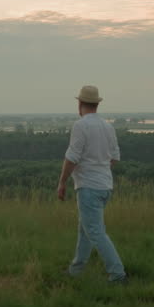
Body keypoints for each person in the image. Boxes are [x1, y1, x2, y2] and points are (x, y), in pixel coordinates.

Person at [56, 84, 127, 284]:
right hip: (105, 186)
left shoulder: (81, 126)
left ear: (80, 104)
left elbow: (71, 158)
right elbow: (114, 158)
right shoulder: (108, 126)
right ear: (96, 104)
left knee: (95, 232)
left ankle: (118, 274)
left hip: (88, 187)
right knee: (85, 229)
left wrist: (62, 183)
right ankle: (76, 270)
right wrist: (99, 168)